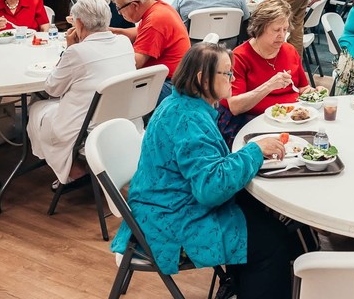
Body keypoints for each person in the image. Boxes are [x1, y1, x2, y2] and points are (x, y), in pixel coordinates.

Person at [112, 42, 298, 299]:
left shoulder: (182, 105)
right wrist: (254, 151)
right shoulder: (188, 119)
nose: (233, 79)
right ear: (203, 78)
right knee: (272, 244)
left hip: (164, 203)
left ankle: (243, 285)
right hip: (171, 221)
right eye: (227, 73)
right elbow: (210, 189)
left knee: (262, 215)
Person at [26, 0, 135, 185]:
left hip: (87, 123)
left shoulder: (77, 52)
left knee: (36, 108)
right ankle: (76, 164)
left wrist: (68, 49)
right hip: (122, 115)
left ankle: (72, 169)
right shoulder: (124, 42)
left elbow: (52, 88)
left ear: (79, 23)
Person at [220, 0, 312, 140]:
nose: (282, 35)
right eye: (276, 30)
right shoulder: (239, 57)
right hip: (254, 124)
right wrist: (269, 86)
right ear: (259, 28)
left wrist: (312, 94)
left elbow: (302, 88)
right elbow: (235, 106)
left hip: (293, 121)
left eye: (285, 29)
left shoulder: (289, 50)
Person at [115, 0, 190, 102]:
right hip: (177, 77)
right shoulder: (158, 7)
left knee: (114, 93)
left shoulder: (155, 21)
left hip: (170, 85)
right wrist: (108, 32)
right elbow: (137, 32)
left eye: (119, 8)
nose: (119, 13)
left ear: (134, 5)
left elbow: (135, 63)